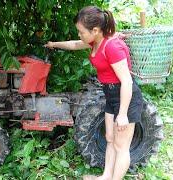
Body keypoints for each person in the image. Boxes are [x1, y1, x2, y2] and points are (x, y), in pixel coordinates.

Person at [44, 6, 143, 180]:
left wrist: (122, 114)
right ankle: (105, 176)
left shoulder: (111, 46)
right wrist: (54, 44)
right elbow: (75, 44)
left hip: (125, 97)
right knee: (110, 138)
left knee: (121, 146)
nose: (80, 35)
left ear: (95, 30)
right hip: (111, 96)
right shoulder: (95, 41)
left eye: (81, 32)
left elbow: (126, 81)